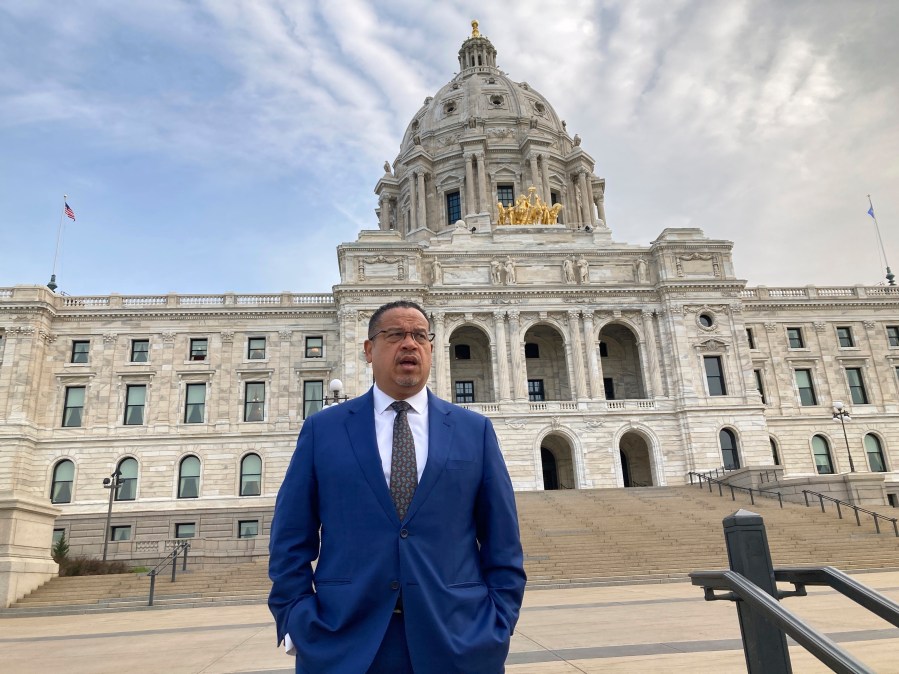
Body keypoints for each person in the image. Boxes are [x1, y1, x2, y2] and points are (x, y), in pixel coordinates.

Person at [269, 300, 526, 673]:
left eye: (420, 335)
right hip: (344, 642)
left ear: (431, 349)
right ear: (370, 350)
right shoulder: (323, 429)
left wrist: (498, 624)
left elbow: (503, 542)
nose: (410, 343)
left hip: (458, 641)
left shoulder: (475, 432)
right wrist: (297, 621)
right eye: (395, 335)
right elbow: (290, 537)